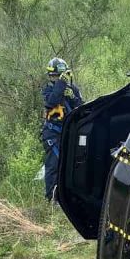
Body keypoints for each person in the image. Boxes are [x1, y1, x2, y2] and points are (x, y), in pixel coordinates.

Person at [41, 57, 84, 202]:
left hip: (69, 134)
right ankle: (51, 198)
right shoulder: (48, 90)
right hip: (53, 133)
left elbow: (82, 109)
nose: (53, 78)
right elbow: (51, 102)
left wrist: (73, 97)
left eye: (56, 76)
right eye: (52, 76)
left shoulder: (72, 90)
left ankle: (67, 196)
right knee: (53, 165)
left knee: (70, 165)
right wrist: (61, 84)